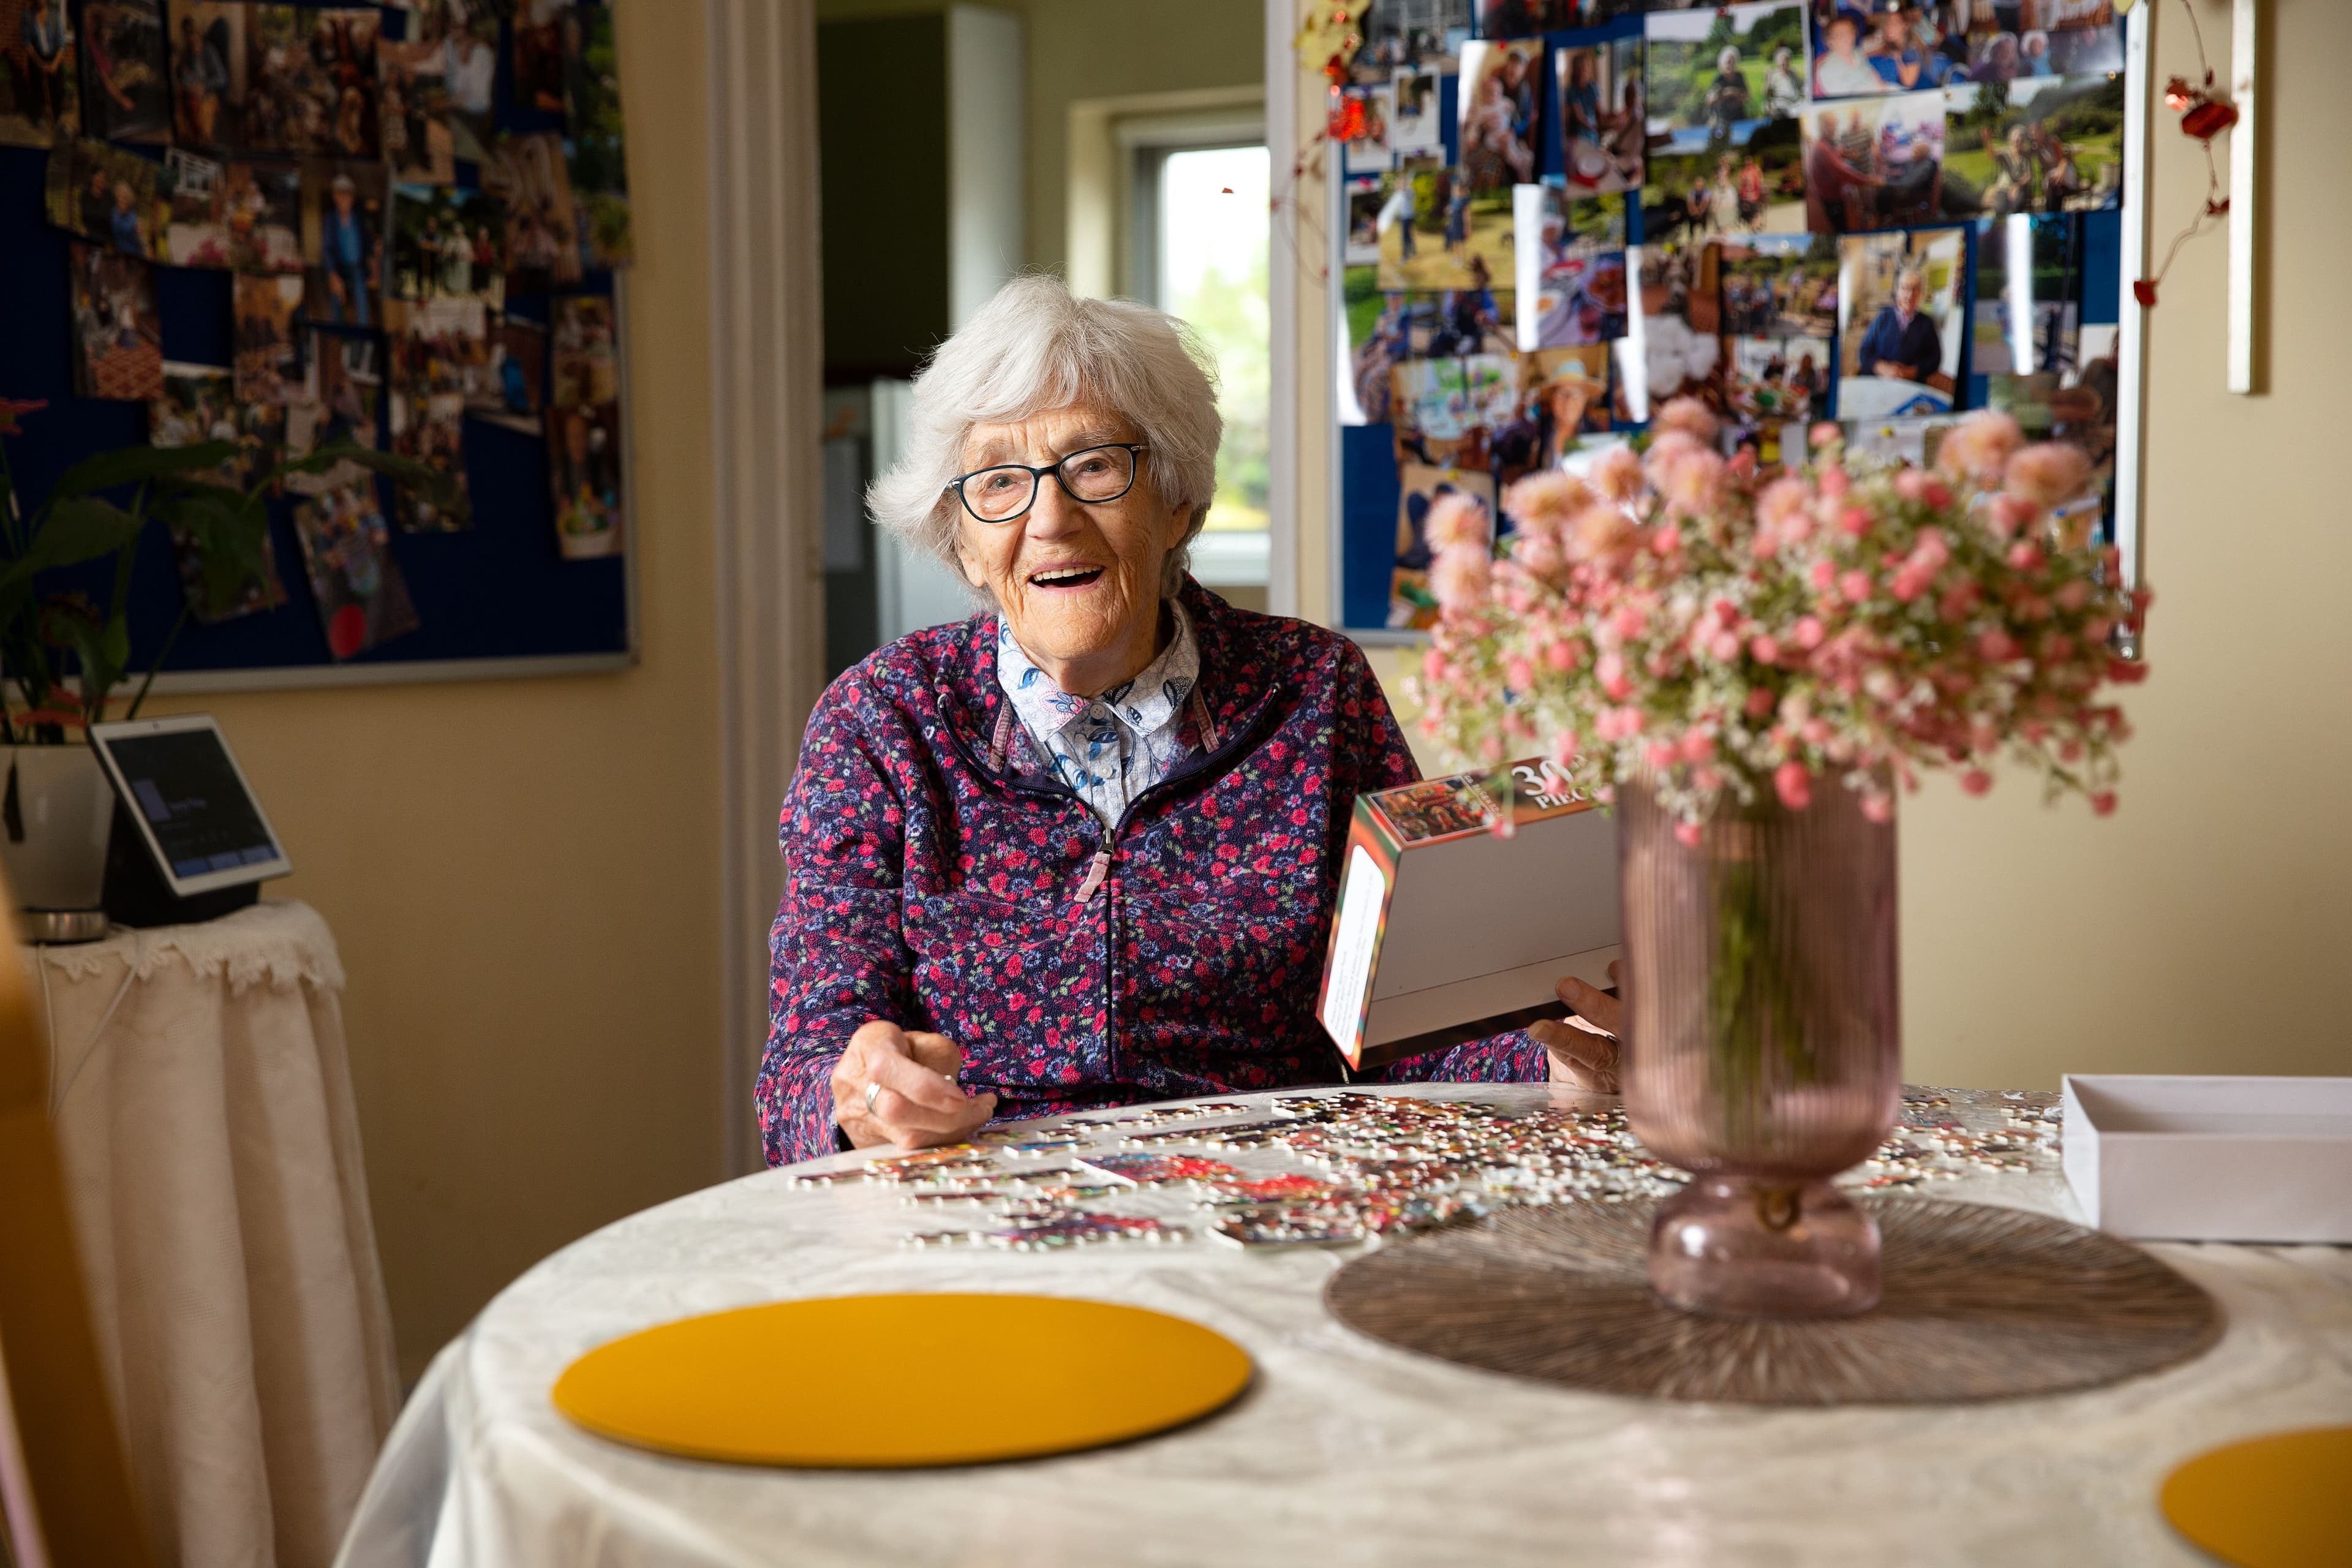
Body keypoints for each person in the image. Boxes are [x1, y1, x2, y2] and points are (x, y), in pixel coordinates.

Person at [755, 277, 1621, 1162]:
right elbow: (802, 1061)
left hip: (1272, 1195)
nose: (1049, 519)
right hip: (981, 1206)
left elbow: (1409, 1025)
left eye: (1094, 466)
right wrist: (858, 1096)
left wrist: (1560, 1066)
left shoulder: (1315, 692)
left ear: (1177, 502)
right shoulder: (883, 720)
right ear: (964, 541)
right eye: (1000, 482)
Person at [1856, 263, 1943, 382]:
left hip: (1911, 385)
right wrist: (1882, 368)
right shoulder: (1882, 318)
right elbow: (1864, 351)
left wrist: (1912, 372)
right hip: (1878, 382)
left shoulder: (1927, 323)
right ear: (1897, 291)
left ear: (1921, 292)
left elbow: (1935, 359)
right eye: (1905, 288)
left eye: (1915, 289)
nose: (1910, 294)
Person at [1804, 109, 1880, 232]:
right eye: (1828, 125)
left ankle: (1869, 214)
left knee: (1868, 198)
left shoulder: (1826, 143)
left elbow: (1837, 151)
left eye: (1834, 124)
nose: (1833, 128)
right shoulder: (1824, 147)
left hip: (1862, 172)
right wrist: (1870, 180)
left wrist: (1848, 154)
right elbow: (1842, 172)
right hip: (1834, 193)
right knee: (1841, 225)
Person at [320, 173, 374, 326]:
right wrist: (332, 274)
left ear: (352, 198)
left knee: (360, 292)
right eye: (340, 195)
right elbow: (327, 248)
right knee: (336, 295)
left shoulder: (359, 218)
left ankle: (362, 327)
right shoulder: (330, 220)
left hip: (357, 265)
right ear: (335, 198)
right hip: (339, 267)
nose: (343, 199)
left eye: (347, 195)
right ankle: (339, 328)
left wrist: (373, 251)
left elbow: (368, 240)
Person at [1814, 12, 1888, 96]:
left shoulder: (1858, 54)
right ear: (1830, 41)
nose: (1847, 37)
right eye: (1841, 35)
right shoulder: (1827, 69)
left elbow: (1872, 73)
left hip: (1880, 94)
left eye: (1850, 32)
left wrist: (1882, 87)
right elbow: (1842, 100)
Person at [1703, 45, 1752, 143]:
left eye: (1733, 62)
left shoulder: (1739, 76)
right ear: (1722, 64)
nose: (1730, 65)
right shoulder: (1719, 79)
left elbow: (1748, 96)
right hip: (1723, 118)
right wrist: (1723, 94)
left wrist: (1734, 91)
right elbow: (1709, 100)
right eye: (1728, 62)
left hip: (1739, 115)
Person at [1762, 46, 1805, 118]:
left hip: (1795, 104)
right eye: (1782, 63)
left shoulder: (1793, 73)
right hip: (1781, 104)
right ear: (1777, 64)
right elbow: (1766, 94)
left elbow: (1802, 87)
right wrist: (1768, 81)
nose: (1785, 65)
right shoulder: (1774, 75)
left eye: (1787, 62)